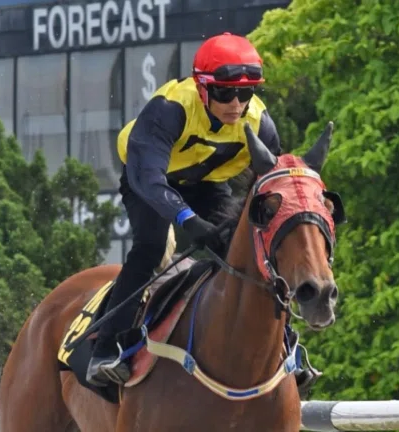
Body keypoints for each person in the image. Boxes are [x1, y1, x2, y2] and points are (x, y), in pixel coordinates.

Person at [86, 32, 316, 395]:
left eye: (246, 93)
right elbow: (148, 179)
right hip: (149, 179)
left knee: (254, 253)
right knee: (152, 247)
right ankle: (105, 348)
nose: (236, 104)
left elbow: (274, 187)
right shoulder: (169, 108)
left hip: (208, 184)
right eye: (225, 93)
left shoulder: (259, 123)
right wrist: (188, 221)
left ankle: (287, 343)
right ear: (202, 86)